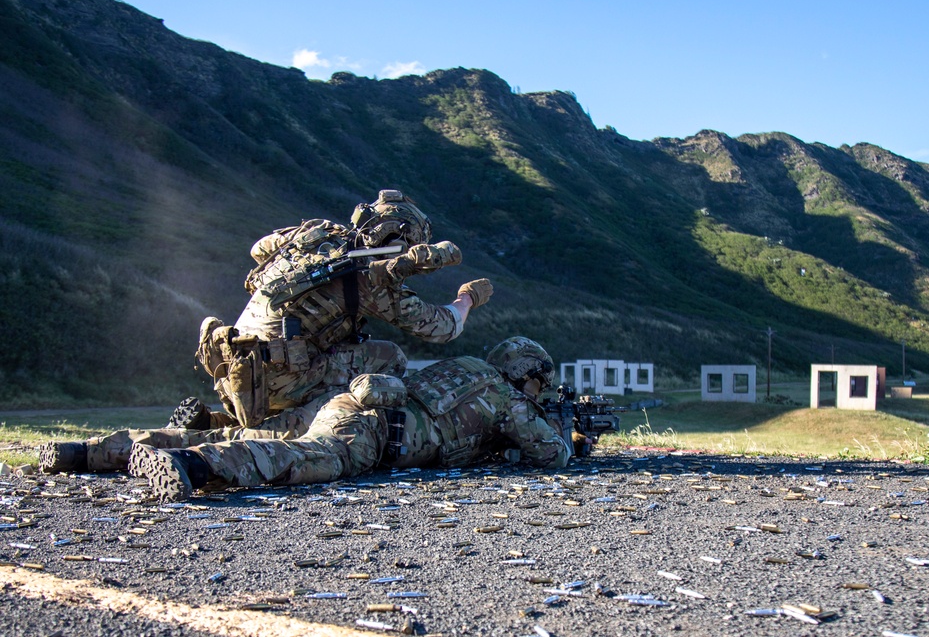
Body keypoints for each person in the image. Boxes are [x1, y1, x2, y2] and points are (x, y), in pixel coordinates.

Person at [39, 338, 571, 502]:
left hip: (347, 404)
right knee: (301, 458)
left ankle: (87, 451)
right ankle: (191, 467)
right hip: (369, 435)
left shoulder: (467, 370)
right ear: (527, 375)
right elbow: (552, 454)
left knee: (242, 429)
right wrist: (570, 436)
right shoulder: (507, 398)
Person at [179, 188, 493, 431]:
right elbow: (442, 327)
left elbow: (258, 248)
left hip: (232, 370)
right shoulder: (368, 279)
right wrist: (467, 297)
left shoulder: (315, 235)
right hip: (275, 380)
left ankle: (214, 423)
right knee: (390, 358)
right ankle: (291, 430)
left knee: (335, 347)